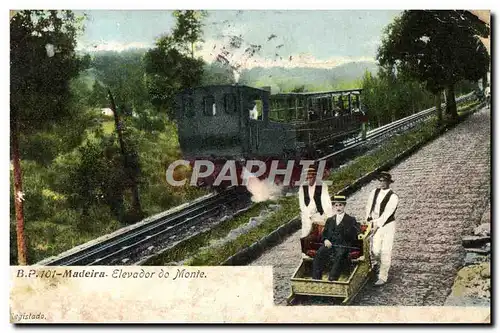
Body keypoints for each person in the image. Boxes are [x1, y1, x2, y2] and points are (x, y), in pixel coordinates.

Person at [311, 195, 360, 281]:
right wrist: (326, 240)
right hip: (330, 244)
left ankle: (332, 279)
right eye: (336, 205)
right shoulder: (330, 220)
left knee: (340, 255)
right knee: (319, 253)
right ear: (333, 206)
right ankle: (316, 278)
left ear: (344, 206)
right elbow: (324, 233)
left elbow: (354, 235)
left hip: (343, 246)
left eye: (340, 205)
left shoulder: (351, 220)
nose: (338, 208)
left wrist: (344, 237)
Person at [365, 171, 399, 286]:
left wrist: (377, 226)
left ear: (389, 182)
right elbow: (369, 207)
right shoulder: (374, 192)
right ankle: (378, 264)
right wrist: (368, 221)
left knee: (385, 251)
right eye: (380, 180)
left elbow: (386, 214)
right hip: (374, 224)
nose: (382, 183)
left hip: (387, 226)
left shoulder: (393, 197)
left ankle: (383, 276)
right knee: (375, 250)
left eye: (384, 181)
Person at [298, 166, 334, 257]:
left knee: (321, 232)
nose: (309, 179)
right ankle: (306, 254)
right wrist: (307, 215)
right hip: (307, 214)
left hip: (319, 213)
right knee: (306, 233)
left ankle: (323, 251)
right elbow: (302, 203)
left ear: (315, 177)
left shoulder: (322, 185)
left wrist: (329, 216)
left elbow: (326, 201)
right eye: (308, 178)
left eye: (311, 177)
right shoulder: (303, 187)